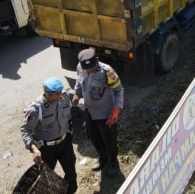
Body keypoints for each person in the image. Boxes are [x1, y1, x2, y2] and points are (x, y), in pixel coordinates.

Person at [72, 48, 124, 177]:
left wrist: (116, 110)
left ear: (97, 60)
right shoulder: (80, 67)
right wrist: (76, 94)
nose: (90, 71)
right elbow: (79, 81)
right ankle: (103, 158)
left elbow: (119, 90)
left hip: (106, 113)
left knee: (109, 139)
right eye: (87, 69)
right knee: (94, 137)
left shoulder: (107, 72)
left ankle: (113, 161)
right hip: (89, 111)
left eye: (93, 68)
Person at [21, 77, 78, 194]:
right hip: (46, 149)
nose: (54, 97)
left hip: (64, 143)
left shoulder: (65, 98)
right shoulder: (36, 108)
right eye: (50, 94)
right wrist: (34, 149)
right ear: (44, 91)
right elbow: (25, 130)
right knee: (46, 179)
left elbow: (71, 114)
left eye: (57, 94)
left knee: (71, 172)